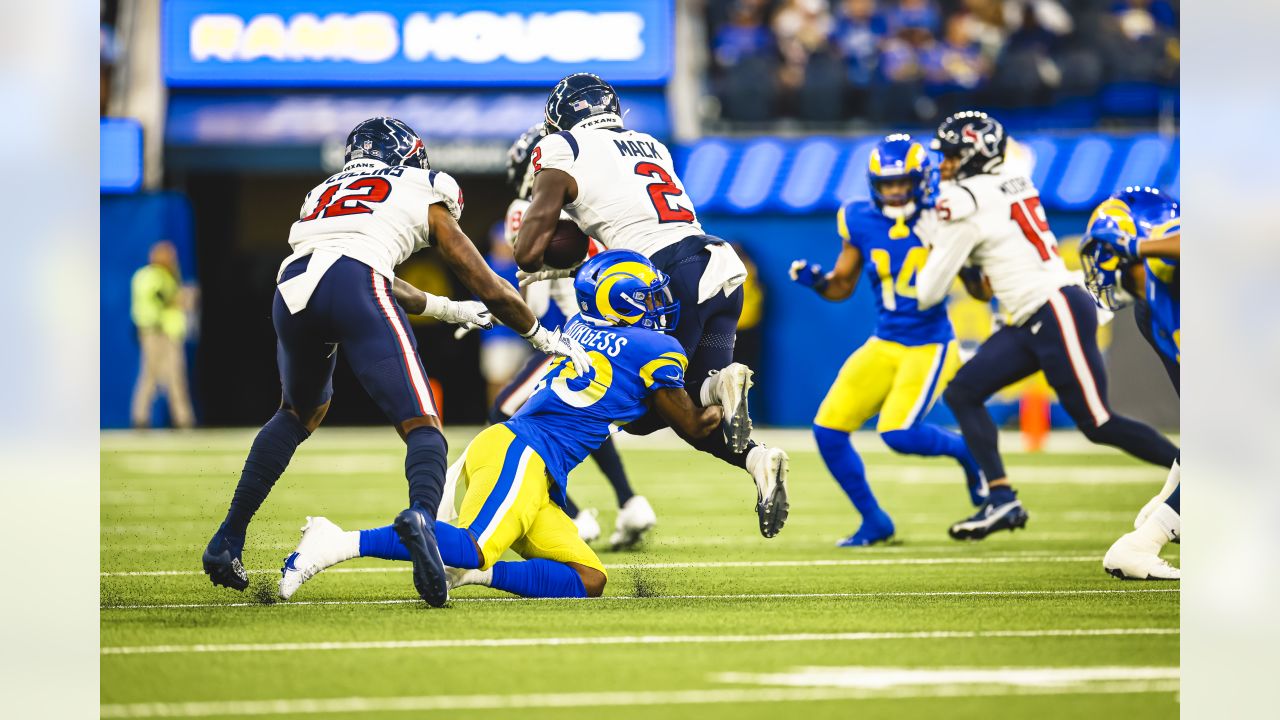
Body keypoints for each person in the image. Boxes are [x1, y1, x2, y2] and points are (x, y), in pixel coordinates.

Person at [201, 117, 589, 608]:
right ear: (407, 153)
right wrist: (535, 332)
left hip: (291, 287)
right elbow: (475, 274)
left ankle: (228, 538)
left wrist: (447, 309)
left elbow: (356, 265)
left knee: (297, 414)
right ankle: (423, 524)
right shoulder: (423, 184)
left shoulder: (323, 191)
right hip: (354, 281)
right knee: (424, 426)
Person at [279, 250, 723, 600]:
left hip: (529, 461)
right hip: (523, 453)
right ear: (621, 300)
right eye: (648, 295)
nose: (660, 304)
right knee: (471, 543)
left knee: (588, 578)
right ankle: (336, 541)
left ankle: (473, 574)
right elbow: (693, 425)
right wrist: (724, 396)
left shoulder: (582, 326)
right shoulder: (653, 346)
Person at [514, 74, 790, 539]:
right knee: (690, 412)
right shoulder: (648, 143)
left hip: (664, 279)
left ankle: (720, 387)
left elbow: (526, 250)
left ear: (560, 119)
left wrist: (547, 255)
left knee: (643, 415)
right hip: (717, 267)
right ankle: (758, 459)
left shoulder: (563, 147)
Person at [913, 110, 1179, 541]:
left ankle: (1194, 480)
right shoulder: (1013, 171)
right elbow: (982, 289)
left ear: (975, 155)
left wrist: (927, 239)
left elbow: (927, 292)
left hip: (1054, 306)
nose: (942, 164)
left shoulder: (965, 201)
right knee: (964, 392)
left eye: (950, 155)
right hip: (1030, 315)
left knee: (1098, 422)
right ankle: (1002, 499)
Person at [790, 134, 985, 547]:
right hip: (886, 339)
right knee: (828, 430)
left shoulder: (944, 214)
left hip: (930, 343)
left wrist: (960, 255)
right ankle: (875, 521)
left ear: (922, 180)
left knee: (898, 434)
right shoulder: (859, 217)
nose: (895, 192)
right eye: (887, 184)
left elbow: (981, 288)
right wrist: (818, 281)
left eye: (902, 183)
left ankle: (968, 452)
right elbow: (842, 284)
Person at [490, 124, 655, 550]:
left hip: (574, 332)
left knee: (504, 412)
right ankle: (630, 501)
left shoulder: (524, 208)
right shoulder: (594, 197)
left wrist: (511, 303)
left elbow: (537, 299)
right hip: (620, 330)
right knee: (587, 414)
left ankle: (574, 514)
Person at [1081, 186, 1180, 580]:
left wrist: (1139, 246)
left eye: (1107, 252)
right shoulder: (1149, 310)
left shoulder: (1166, 268)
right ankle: (1141, 545)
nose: (1100, 266)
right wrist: (1172, 494)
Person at [130, 240, 196, 429]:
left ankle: (183, 419)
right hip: (154, 332)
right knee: (150, 376)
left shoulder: (168, 277)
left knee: (176, 377)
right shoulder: (148, 275)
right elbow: (161, 298)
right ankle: (140, 418)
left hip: (169, 333)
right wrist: (183, 297)